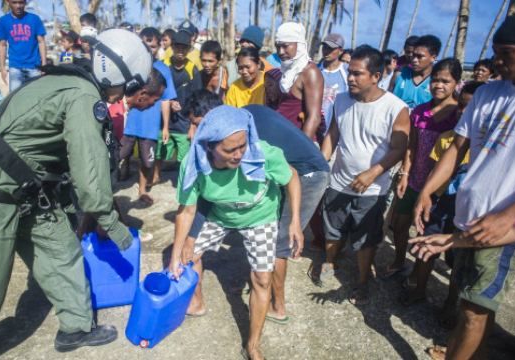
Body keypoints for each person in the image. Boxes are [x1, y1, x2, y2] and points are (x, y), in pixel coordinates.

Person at [0, 29, 156, 360]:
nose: (125, 94)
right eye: (129, 85)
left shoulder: (73, 80)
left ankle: (76, 327)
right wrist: (113, 224)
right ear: (117, 75)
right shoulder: (83, 97)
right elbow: (90, 178)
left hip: (25, 188)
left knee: (61, 250)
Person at [411, 14, 515, 359]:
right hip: (468, 212)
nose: (497, 60)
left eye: (507, 52)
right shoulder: (488, 93)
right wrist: (428, 190)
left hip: (502, 226)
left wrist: (512, 216)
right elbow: (457, 147)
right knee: (467, 302)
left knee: (476, 309)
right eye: (496, 52)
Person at [183, 90, 330, 326]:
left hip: (307, 174)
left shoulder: (241, 135)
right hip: (288, 168)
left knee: (280, 243)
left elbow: (289, 174)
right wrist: (191, 237)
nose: (195, 135)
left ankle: (277, 306)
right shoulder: (240, 121)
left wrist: (294, 222)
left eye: (199, 126)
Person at [169, 105, 302, 360]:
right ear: (209, 146)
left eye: (242, 145)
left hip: (260, 216)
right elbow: (186, 212)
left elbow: (292, 177)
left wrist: (294, 220)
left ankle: (252, 345)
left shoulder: (261, 152)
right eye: (230, 149)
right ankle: (196, 302)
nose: (239, 154)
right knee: (188, 256)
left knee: (262, 278)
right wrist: (176, 255)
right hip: (220, 214)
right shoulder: (193, 163)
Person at [317, 46, 410, 304]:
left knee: (365, 238)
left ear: (376, 76)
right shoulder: (342, 100)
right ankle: (329, 263)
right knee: (333, 228)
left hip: (371, 188)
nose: (350, 78)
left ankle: (362, 281)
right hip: (338, 181)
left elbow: (399, 148)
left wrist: (373, 172)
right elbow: (333, 134)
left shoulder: (396, 108)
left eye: (357, 74)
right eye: (350, 72)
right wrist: (322, 163)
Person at [401, 81, 485, 314]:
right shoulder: (447, 138)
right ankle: (418, 289)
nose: (464, 112)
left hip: (465, 208)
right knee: (426, 245)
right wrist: (425, 195)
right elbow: (435, 169)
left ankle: (450, 304)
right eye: (461, 106)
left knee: (457, 258)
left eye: (470, 107)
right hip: (439, 202)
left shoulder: (487, 147)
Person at [384, 58, 462, 283]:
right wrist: (405, 174)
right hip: (414, 179)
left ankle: (419, 280)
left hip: (439, 187)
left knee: (425, 234)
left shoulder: (458, 116)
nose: (438, 85)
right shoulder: (419, 112)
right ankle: (400, 261)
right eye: (435, 80)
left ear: (456, 83)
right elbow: (412, 146)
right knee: (399, 225)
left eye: (445, 81)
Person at [119, 27, 176, 205]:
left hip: (150, 124)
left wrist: (165, 126)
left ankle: (142, 189)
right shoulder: (128, 66)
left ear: (159, 46)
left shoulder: (163, 70)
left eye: (152, 46)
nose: (148, 49)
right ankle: (121, 174)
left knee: (147, 161)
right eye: (145, 45)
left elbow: (166, 100)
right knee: (121, 153)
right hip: (128, 122)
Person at [267, 22, 324, 140]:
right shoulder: (286, 70)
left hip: (298, 143)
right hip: (282, 140)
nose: (280, 51)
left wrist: (300, 149)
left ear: (299, 44)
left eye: (285, 46)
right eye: (278, 46)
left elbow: (314, 118)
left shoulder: (310, 72)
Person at [158, 31, 203, 169]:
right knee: (159, 153)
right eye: (178, 47)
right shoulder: (162, 65)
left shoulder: (192, 69)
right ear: (172, 47)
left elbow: (197, 97)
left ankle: (181, 180)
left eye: (185, 47)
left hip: (184, 121)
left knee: (184, 156)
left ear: (189, 49)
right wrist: (169, 102)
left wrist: (193, 125)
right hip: (162, 120)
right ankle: (155, 176)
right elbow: (155, 91)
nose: (181, 51)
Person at [0, 0, 47, 90]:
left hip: (34, 66)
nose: (18, 6)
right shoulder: (3, 21)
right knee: (15, 98)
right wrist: (2, 68)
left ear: (25, 3)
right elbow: (2, 45)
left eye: (21, 2)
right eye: (14, 2)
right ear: (8, 2)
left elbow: (41, 42)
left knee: (36, 97)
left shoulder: (35, 19)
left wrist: (44, 64)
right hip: (15, 67)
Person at [390, 35, 441, 110]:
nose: (414, 60)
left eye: (420, 56)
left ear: (433, 58)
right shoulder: (399, 75)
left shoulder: (438, 82)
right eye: (414, 55)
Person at [318, 33, 348, 140]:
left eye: (331, 48)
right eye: (325, 47)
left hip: (334, 134)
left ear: (340, 51)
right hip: (314, 131)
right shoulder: (315, 70)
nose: (326, 51)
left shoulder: (347, 73)